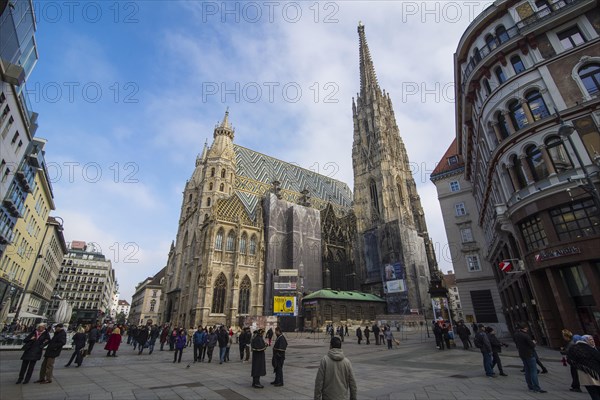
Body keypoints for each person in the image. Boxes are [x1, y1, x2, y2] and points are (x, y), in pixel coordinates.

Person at [514, 322, 546, 393]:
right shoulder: (526, 335)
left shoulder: (516, 334)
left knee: (527, 370)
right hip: (529, 354)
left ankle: (530, 386)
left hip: (522, 354)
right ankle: (536, 388)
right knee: (533, 371)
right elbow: (532, 345)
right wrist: (534, 342)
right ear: (525, 328)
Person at [568, 334, 600, 400]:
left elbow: (570, 360)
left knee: (593, 393)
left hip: (584, 374)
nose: (592, 341)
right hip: (596, 372)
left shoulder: (573, 348)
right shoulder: (590, 348)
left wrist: (580, 366)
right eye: (590, 340)